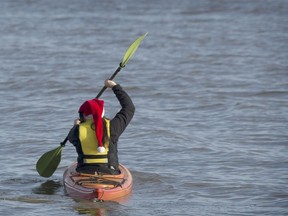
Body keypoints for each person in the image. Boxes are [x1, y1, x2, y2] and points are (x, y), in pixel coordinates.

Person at [68, 79, 135, 175]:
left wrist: (75, 126)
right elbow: (129, 108)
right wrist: (115, 87)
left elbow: (71, 139)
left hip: (84, 172)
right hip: (110, 172)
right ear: (102, 113)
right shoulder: (112, 127)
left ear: (82, 115)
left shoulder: (76, 131)